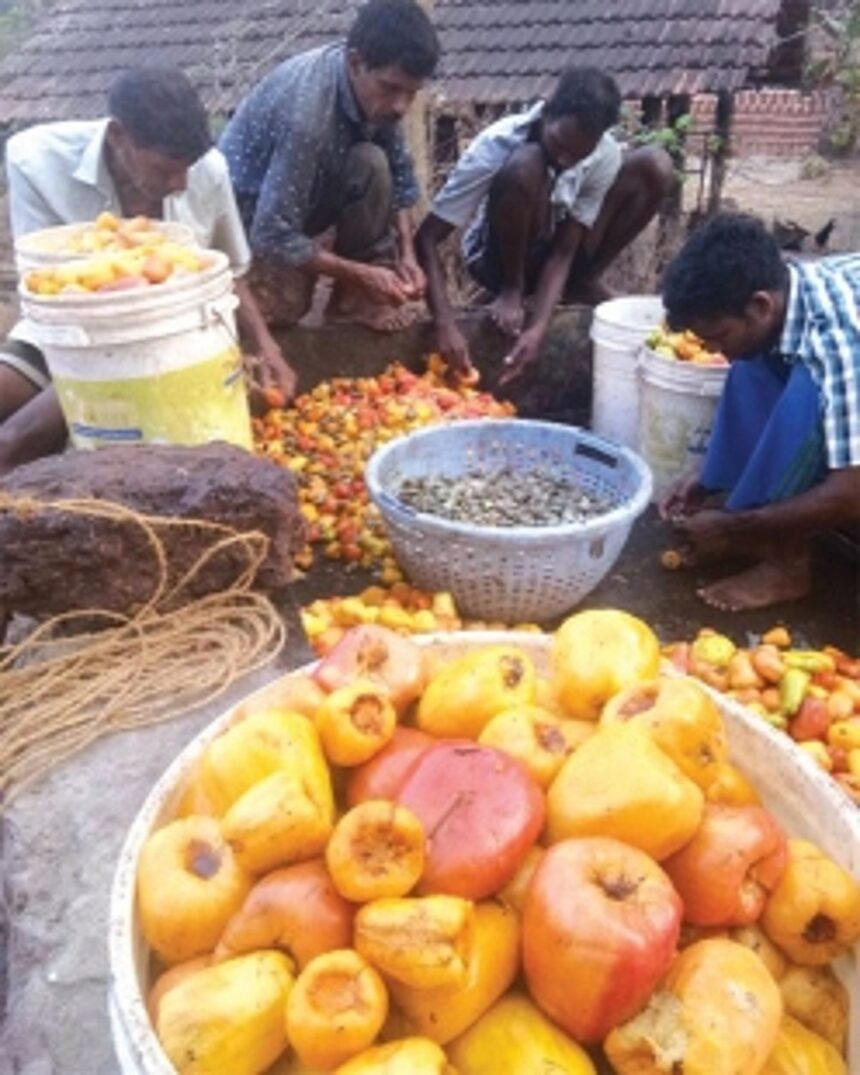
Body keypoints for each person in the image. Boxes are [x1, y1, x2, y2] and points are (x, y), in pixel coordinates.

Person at [0, 65, 295, 477]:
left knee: (15, 441)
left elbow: (228, 270)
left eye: (187, 167)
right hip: (68, 329)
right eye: (164, 169)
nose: (180, 183)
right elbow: (45, 284)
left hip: (171, 334)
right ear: (118, 136)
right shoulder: (38, 162)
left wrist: (266, 345)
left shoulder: (208, 171)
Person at [415, 67, 674, 381]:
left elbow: (565, 251)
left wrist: (538, 328)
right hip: (496, 260)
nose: (565, 160)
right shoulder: (496, 144)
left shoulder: (602, 154)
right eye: (559, 144)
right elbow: (426, 238)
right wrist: (444, 322)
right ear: (547, 111)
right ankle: (512, 288)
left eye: (577, 155)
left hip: (556, 253)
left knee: (655, 165)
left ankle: (584, 282)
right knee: (526, 163)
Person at [659, 213, 860, 612]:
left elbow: (851, 492)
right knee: (751, 362)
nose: (714, 352)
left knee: (805, 390)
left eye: (718, 337)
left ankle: (786, 563)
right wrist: (708, 473)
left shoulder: (839, 343)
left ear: (760, 305)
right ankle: (754, 514)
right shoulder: (784, 291)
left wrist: (733, 528)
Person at [219, 0, 439, 332]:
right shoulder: (307, 115)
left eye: (411, 93)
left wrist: (407, 255)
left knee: (373, 163)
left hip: (305, 197)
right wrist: (360, 273)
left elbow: (400, 176)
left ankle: (352, 302)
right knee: (282, 308)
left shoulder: (380, 98)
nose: (400, 106)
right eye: (391, 89)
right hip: (246, 218)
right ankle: (273, 281)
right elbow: (272, 232)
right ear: (355, 62)